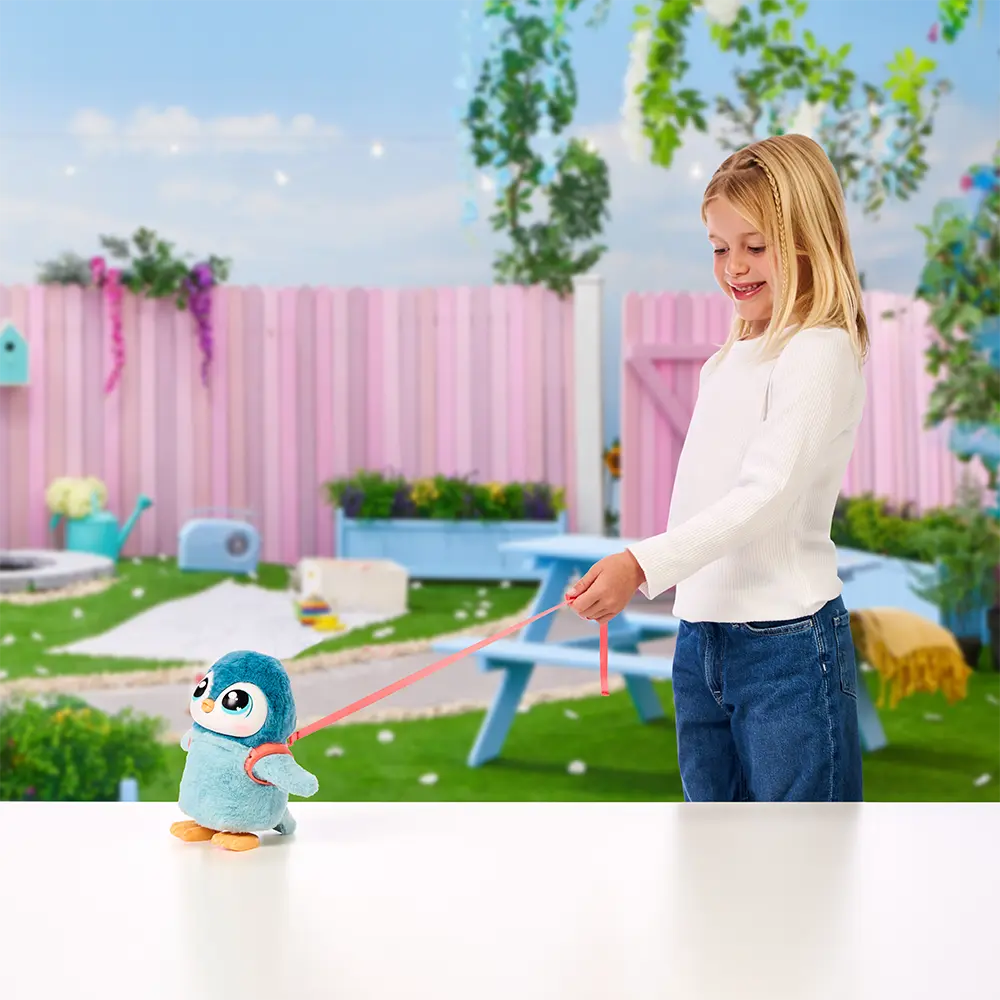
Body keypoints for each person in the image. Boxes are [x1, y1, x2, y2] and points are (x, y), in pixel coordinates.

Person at [566, 133, 868, 802]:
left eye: (755, 246)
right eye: (719, 247)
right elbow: (707, 500)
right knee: (713, 845)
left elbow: (765, 494)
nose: (734, 267)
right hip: (701, 635)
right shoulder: (730, 359)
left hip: (787, 646)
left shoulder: (819, 352)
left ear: (808, 240)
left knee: (800, 853)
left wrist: (640, 564)